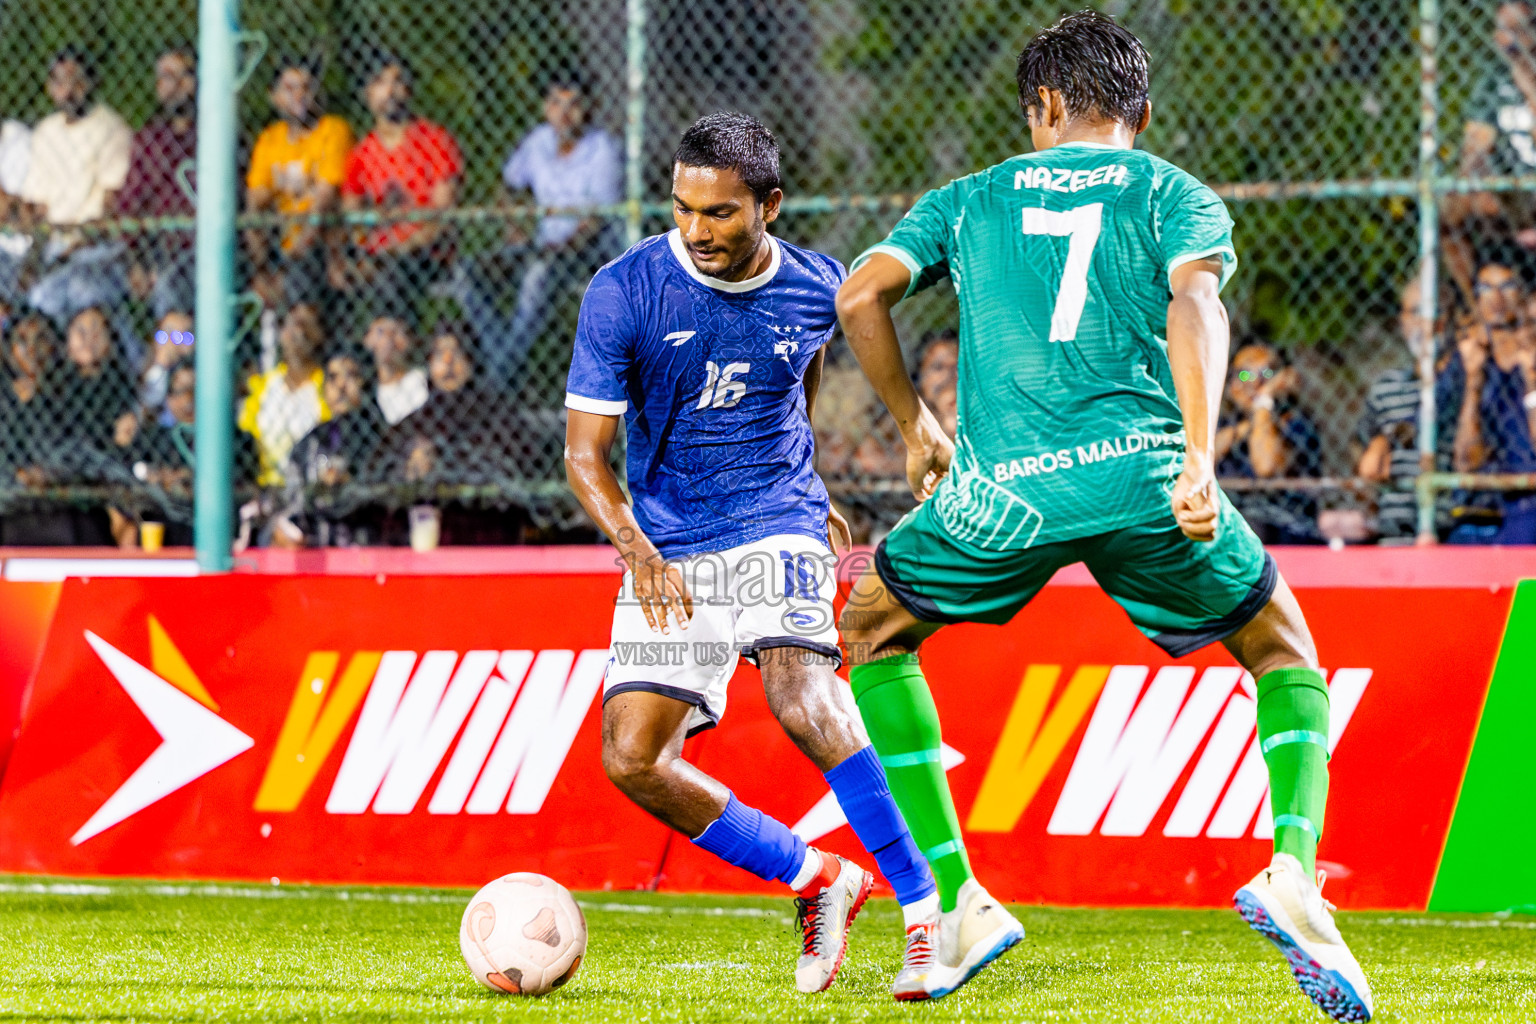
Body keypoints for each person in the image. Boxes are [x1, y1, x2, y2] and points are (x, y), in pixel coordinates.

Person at [834, 12, 1372, 1017]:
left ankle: (954, 900)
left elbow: (861, 296)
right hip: (1145, 480)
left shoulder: (968, 197)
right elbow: (1196, 306)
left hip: (1001, 497)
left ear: (1040, 106)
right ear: (1143, 112)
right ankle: (1294, 869)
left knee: (867, 632)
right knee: (1281, 648)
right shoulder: (1174, 190)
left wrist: (916, 427)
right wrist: (1200, 460)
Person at [563, 112, 938, 1000]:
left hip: (777, 519)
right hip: (668, 543)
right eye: (686, 210)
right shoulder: (625, 291)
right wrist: (639, 553)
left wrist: (809, 489)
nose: (699, 231)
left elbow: (795, 379)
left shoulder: (818, 286)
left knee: (802, 699)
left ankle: (930, 912)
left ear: (770, 204)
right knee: (633, 760)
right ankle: (819, 880)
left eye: (723, 213)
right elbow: (585, 459)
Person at [457, 75, 622, 384]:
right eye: (556, 103)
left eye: (573, 104)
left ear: (589, 108)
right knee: (467, 272)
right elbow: (507, 187)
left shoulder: (602, 148)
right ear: (545, 108)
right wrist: (515, 226)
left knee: (537, 276)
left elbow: (596, 220)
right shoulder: (538, 142)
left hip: (585, 252)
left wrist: (555, 250)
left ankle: (496, 385)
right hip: (539, 246)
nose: (564, 113)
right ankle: (503, 361)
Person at [21, 48, 134, 355]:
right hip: (55, 246)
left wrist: (71, 249)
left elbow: (110, 207)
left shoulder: (111, 128)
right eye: (59, 82)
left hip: (97, 247)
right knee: (40, 299)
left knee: (85, 292)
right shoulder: (45, 132)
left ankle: (134, 364)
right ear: (49, 87)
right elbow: (39, 209)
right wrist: (33, 260)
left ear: (92, 83)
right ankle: (59, 375)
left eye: (77, 81)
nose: (68, 90)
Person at [336, 52, 461, 326]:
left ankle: (395, 353)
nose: (390, 91)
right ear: (367, 93)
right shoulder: (361, 154)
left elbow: (441, 215)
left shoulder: (434, 140)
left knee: (392, 275)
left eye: (398, 82)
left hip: (425, 255)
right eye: (380, 82)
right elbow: (352, 215)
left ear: (409, 90)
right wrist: (362, 250)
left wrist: (398, 247)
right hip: (375, 255)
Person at [1354, 272, 1459, 542]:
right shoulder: (1386, 388)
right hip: (1394, 532)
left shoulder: (1466, 383)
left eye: (1435, 311)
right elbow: (1361, 456)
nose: (1427, 323)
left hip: (1454, 530)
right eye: (1416, 312)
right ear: (1402, 321)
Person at [1444, 2, 1536, 298]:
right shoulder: (1492, 79)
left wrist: (1526, 78)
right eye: (1501, 30)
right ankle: (1473, 309)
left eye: (1515, 30)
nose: (1505, 39)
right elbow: (1475, 142)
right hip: (1512, 190)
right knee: (1449, 217)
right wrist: (1471, 180)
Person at [245, 57, 353, 308]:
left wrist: (293, 255)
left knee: (298, 282)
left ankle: (296, 328)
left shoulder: (333, 131)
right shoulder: (270, 139)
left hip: (321, 245)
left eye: (307, 87)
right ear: (274, 97)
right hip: (280, 243)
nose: (300, 95)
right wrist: (261, 267)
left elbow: (323, 201)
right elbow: (256, 201)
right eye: (290, 88)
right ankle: (174, 343)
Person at [1444, 261, 1536, 543]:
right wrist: (1474, 383)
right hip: (1476, 506)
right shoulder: (1465, 361)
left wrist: (1531, 380)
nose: (1497, 299)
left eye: (1507, 287)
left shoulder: (1529, 361)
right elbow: (1466, 461)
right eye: (1486, 289)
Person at [114, 45, 197, 321]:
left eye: (181, 75)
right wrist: (137, 260)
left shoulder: (218, 133)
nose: (173, 85)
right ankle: (167, 351)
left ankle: (174, 354)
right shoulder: (150, 139)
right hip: (157, 246)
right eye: (165, 76)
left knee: (168, 288)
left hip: (199, 246)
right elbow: (128, 205)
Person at [1214, 342, 1323, 544]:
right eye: (1244, 375)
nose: (1253, 384)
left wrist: (1264, 401)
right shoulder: (1224, 423)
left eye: (1266, 374)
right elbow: (1204, 454)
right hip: (1230, 523)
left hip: (1284, 528)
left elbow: (1266, 465)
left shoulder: (1294, 424)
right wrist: (1246, 428)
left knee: (1253, 527)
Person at [239, 301, 331, 485]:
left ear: (320, 335)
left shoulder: (326, 386)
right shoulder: (263, 385)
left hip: (310, 486)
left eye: (307, 325)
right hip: (265, 485)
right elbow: (246, 434)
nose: (299, 333)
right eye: (292, 324)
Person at [361, 315, 428, 425]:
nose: (388, 340)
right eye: (381, 332)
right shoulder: (367, 394)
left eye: (393, 333)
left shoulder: (421, 378)